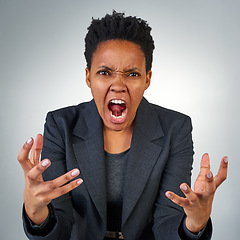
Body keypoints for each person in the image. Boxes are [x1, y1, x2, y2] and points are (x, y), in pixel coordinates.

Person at [18, 11, 228, 240]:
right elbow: (60, 227)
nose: (118, 85)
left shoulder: (175, 129)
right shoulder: (60, 125)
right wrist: (36, 212)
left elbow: (168, 221)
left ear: (147, 79)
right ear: (88, 77)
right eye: (104, 72)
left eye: (132, 74)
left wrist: (195, 224)